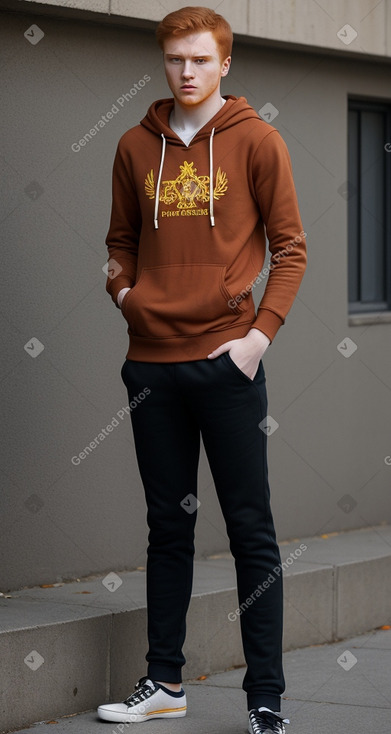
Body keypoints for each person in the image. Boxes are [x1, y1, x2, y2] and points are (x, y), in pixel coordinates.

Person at [97, 6, 307, 733]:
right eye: (175, 60)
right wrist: (124, 293)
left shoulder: (257, 141)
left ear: (224, 63)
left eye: (199, 59)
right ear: (165, 63)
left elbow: (291, 249)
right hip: (151, 367)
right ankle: (164, 682)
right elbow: (118, 242)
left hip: (227, 364)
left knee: (251, 529)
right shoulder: (132, 146)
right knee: (167, 530)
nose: (185, 72)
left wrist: (257, 338)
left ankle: (265, 699)